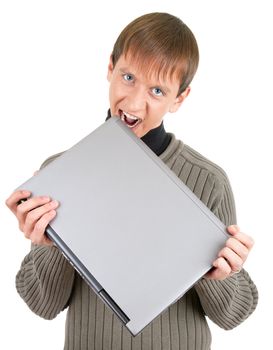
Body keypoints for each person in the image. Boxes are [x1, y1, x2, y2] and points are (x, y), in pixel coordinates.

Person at [6, 12, 258, 350]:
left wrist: (222, 275)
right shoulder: (60, 173)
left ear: (179, 99)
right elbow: (43, 306)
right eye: (128, 77)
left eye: (157, 90)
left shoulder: (207, 180)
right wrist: (48, 244)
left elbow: (234, 316)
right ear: (110, 68)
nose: (135, 102)